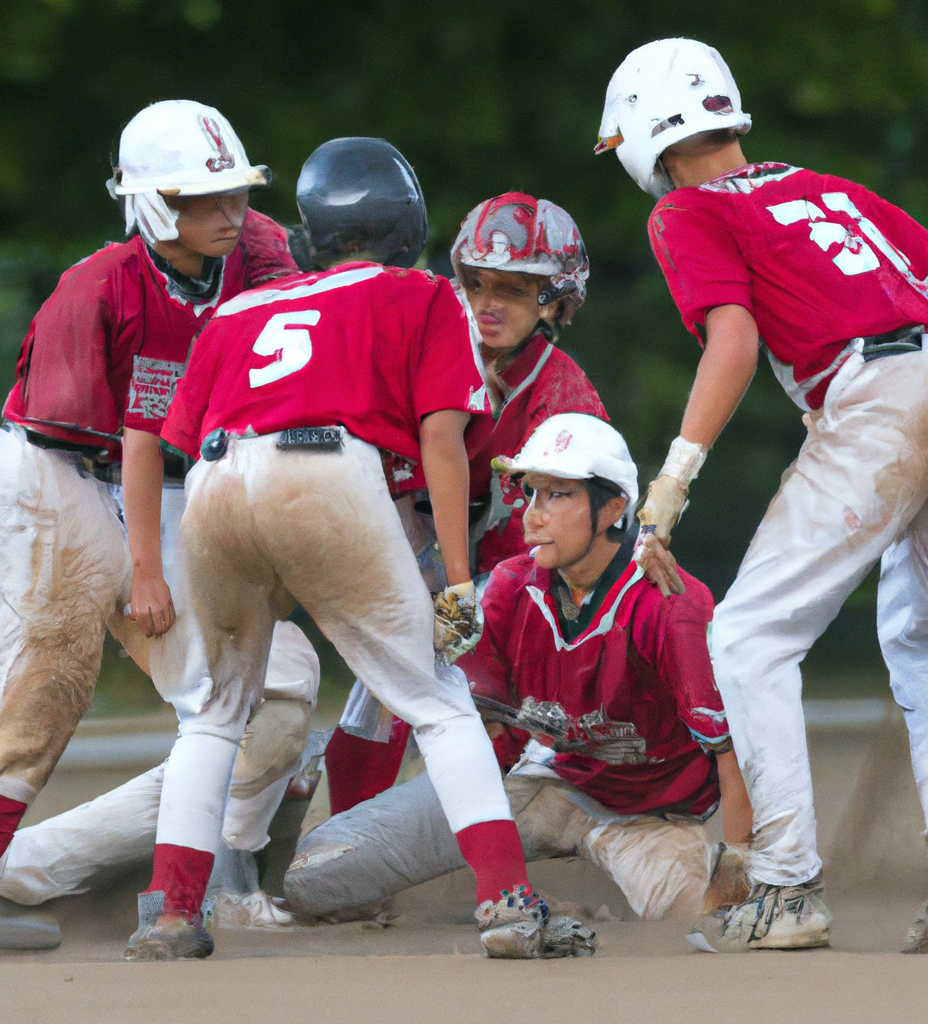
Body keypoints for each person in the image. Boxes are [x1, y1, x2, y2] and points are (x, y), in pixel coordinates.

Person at [124, 137, 595, 962]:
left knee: (215, 715)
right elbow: (441, 445)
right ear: (409, 226)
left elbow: (185, 440)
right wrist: (455, 582)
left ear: (309, 231)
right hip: (325, 473)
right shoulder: (418, 294)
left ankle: (170, 912)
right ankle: (509, 903)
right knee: (441, 703)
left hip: (215, 482)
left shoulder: (237, 310)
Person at [596, 37, 928, 953]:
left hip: (877, 396)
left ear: (641, 136)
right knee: (920, 637)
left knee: (746, 636)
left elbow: (733, 343)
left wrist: (671, 483)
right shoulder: (827, 186)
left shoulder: (685, 210)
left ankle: (786, 886)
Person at [0, 100, 320, 949]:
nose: (229, 213)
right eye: (201, 198)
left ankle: (30, 875)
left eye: (234, 192)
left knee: (277, 693)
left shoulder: (257, 253)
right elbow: (131, 437)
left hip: (166, 480)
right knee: (46, 692)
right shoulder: (108, 286)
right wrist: (145, 570)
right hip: (60, 475)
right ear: (151, 201)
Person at [284, 414, 752, 924]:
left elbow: (735, 754)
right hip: (542, 781)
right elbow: (477, 726)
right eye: (532, 494)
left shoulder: (671, 606)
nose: (533, 516)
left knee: (712, 924)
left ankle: (618, 873)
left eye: (558, 495)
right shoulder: (511, 586)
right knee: (312, 877)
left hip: (647, 817)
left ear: (614, 507)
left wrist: (740, 858)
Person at [324, 193, 682, 813]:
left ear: (557, 300)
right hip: (407, 549)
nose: (488, 304)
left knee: (462, 690)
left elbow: (584, 528)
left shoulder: (562, 392)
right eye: (476, 282)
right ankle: (337, 840)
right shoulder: (424, 344)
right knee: (374, 703)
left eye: (514, 289)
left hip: (514, 579)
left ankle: (470, 848)